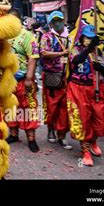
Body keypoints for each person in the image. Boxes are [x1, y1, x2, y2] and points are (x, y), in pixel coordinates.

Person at [66, 25, 104, 166]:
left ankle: (94, 141)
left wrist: (100, 67)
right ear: (82, 38)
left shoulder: (99, 52)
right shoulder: (75, 49)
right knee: (83, 120)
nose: (89, 40)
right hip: (79, 89)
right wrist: (88, 49)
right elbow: (76, 61)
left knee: (99, 120)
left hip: (97, 89)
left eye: (92, 38)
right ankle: (85, 150)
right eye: (87, 38)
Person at [7, 9, 40, 153]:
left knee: (28, 109)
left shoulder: (27, 36)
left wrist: (28, 78)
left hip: (23, 80)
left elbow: (33, 57)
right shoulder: (5, 36)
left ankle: (31, 139)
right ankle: (14, 135)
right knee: (10, 108)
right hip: (8, 80)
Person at [39, 10, 72, 150]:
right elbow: (43, 52)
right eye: (55, 21)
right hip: (52, 77)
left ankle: (62, 135)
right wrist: (60, 53)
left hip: (67, 78)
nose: (58, 23)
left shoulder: (71, 37)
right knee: (52, 107)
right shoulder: (47, 37)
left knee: (65, 109)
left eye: (60, 20)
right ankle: (51, 129)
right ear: (51, 23)